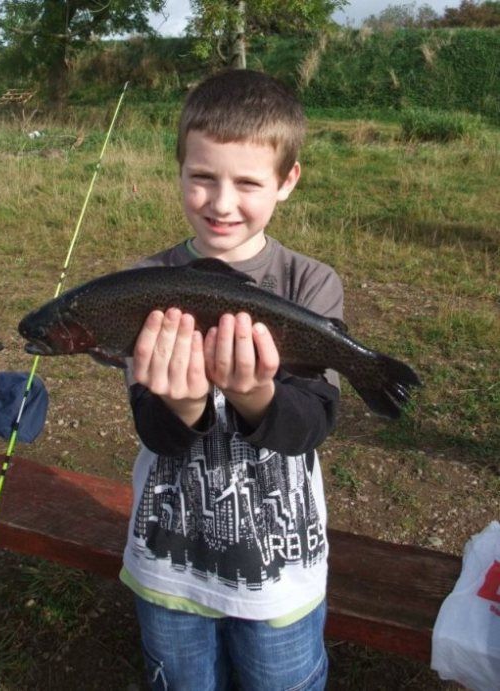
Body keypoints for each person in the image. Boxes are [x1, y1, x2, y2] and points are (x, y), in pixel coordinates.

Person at [120, 68, 343, 691]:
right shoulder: (142, 285)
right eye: (202, 177)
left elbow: (311, 426)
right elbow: (154, 433)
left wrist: (254, 394)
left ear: (287, 181)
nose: (221, 203)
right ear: (178, 171)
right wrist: (185, 404)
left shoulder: (310, 284)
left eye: (247, 182)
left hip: (279, 574)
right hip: (170, 563)